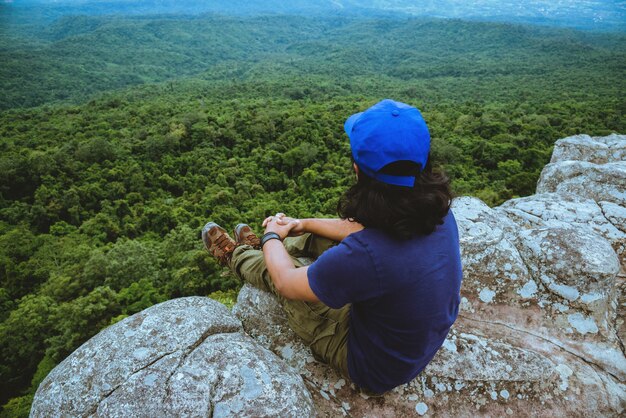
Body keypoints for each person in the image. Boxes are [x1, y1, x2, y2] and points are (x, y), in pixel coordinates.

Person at [202, 99, 463, 395]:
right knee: (317, 240)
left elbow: (287, 282)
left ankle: (237, 255)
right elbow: (360, 232)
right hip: (410, 338)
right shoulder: (438, 212)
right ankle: (275, 246)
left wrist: (271, 237)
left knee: (281, 271)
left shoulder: (367, 255)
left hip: (370, 363)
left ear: (357, 169)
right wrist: (303, 223)